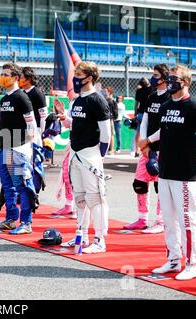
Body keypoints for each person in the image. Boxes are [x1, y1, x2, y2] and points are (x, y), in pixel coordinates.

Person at [141, 65, 196, 280]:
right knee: (168, 219)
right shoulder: (166, 106)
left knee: (187, 219)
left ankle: (192, 263)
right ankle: (173, 259)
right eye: (168, 78)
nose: (169, 81)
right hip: (165, 171)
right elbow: (163, 128)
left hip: (185, 174)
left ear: (184, 82)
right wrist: (149, 140)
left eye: (173, 78)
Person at [57, 61, 111, 253]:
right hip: (75, 153)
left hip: (90, 154)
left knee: (95, 198)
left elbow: (106, 133)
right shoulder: (76, 100)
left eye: (79, 74)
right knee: (80, 197)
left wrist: (98, 157)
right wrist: (65, 118)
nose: (75, 78)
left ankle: (99, 239)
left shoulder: (97, 100)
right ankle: (81, 235)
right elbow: (74, 124)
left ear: (89, 77)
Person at [124, 64, 170, 234]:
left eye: (156, 75)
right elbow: (145, 121)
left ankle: (161, 220)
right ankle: (142, 218)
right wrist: (143, 142)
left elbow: (165, 126)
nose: (153, 78)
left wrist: (148, 141)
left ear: (164, 78)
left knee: (160, 186)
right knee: (139, 183)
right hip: (147, 148)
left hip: (161, 148)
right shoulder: (151, 97)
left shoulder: (169, 98)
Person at [0, 63, 37, 235]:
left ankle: (26, 222)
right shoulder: (4, 99)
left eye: (6, 74)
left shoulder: (22, 97)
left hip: (18, 149)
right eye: (1, 73)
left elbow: (31, 124)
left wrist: (23, 145)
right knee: (7, 186)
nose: (2, 76)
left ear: (15, 77)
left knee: (21, 186)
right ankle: (11, 219)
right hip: (5, 148)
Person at [132, 77, 152, 157]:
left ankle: (137, 149)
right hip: (147, 113)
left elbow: (136, 103)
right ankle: (145, 149)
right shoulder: (150, 90)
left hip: (140, 113)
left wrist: (135, 112)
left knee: (138, 132)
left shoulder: (138, 91)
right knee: (148, 132)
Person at [104, 86, 118, 155]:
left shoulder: (112, 101)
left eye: (106, 91)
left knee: (111, 134)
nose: (104, 92)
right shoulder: (104, 100)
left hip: (109, 119)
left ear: (109, 92)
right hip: (105, 119)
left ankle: (111, 149)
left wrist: (112, 117)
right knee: (105, 134)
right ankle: (107, 148)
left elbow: (115, 113)